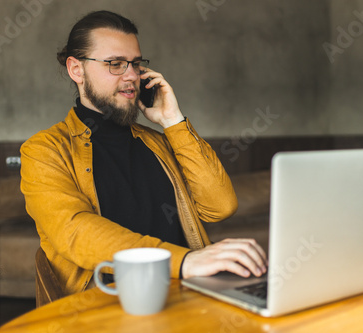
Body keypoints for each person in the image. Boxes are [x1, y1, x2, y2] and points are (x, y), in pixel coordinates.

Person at [20, 10, 267, 296]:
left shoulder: (158, 141)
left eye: (135, 64)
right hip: (106, 305)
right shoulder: (44, 150)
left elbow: (221, 205)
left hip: (187, 296)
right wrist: (183, 261)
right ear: (77, 69)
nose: (131, 76)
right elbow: (74, 232)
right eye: (115, 64)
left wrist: (173, 121)